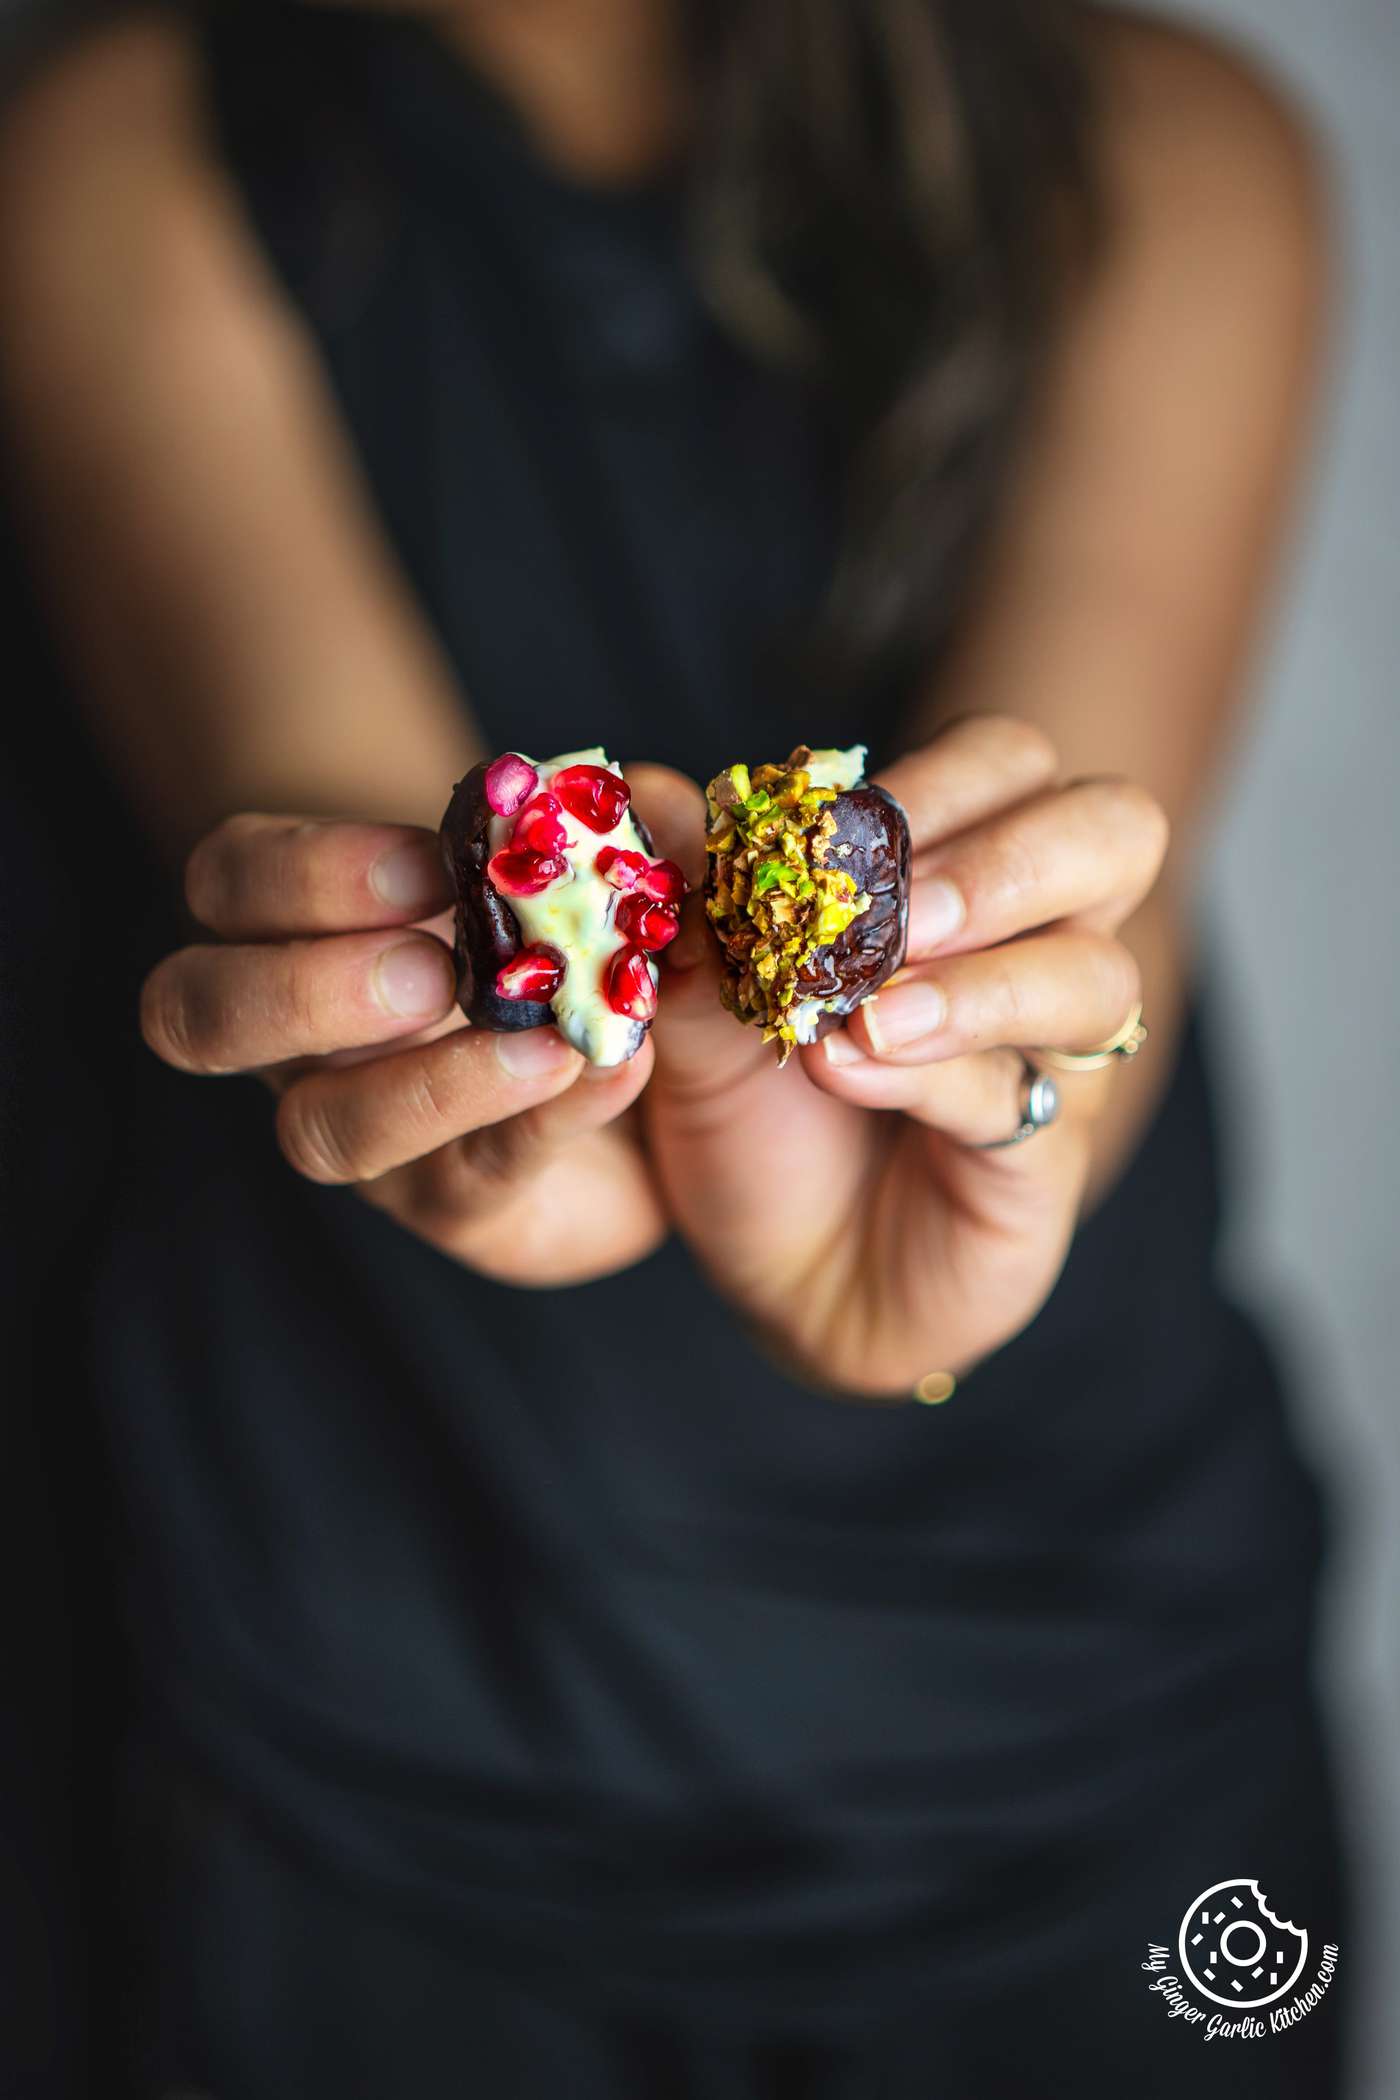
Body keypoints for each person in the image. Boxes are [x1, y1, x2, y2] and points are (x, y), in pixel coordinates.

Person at [0, 1, 1348, 2092]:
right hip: (365, 1715)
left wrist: (998, 1116)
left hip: (1084, 1717)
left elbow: (1092, 928)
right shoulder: (118, 146)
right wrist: (513, 1127)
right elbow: (385, 856)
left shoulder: (1174, 145)